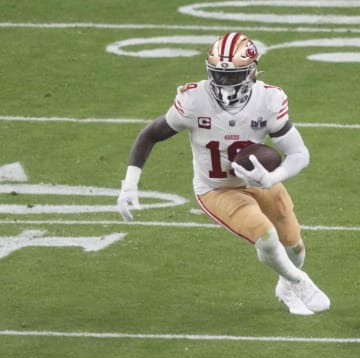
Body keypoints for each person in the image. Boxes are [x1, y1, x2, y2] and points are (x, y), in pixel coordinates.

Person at [117, 32, 330, 315]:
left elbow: (299, 154)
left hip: (258, 181)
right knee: (265, 235)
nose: (225, 83)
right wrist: (130, 183)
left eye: (233, 76)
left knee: (295, 246)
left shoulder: (268, 100)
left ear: (252, 71)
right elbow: (150, 134)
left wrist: (271, 178)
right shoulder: (194, 100)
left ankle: (286, 286)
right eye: (218, 75)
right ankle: (299, 281)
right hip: (216, 188)